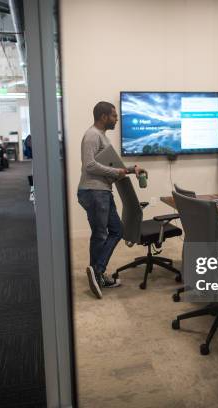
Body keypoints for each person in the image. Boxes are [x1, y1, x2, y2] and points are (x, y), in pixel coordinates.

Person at [78, 101, 145, 299]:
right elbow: (90, 165)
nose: (116, 119)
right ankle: (98, 272)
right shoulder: (92, 135)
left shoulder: (101, 137)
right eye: (114, 116)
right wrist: (118, 171)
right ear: (103, 117)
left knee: (116, 230)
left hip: (101, 191)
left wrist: (131, 169)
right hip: (94, 191)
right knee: (100, 234)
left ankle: (97, 272)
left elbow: (109, 165)